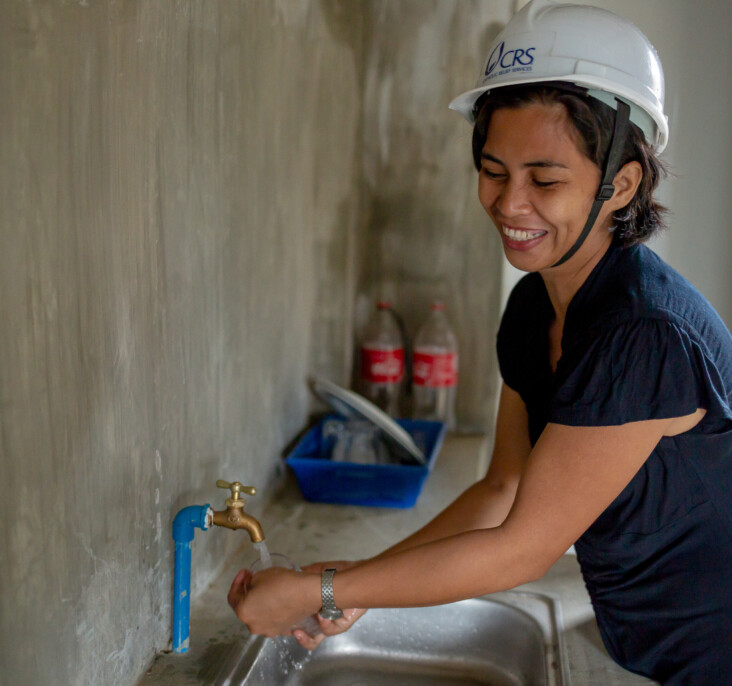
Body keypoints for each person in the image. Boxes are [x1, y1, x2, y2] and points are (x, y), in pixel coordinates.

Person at [227, 1, 732, 683]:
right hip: (641, 642)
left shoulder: (641, 333)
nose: (509, 203)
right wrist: (356, 584)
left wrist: (324, 590)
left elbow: (521, 550)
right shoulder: (535, 305)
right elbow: (503, 487)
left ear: (622, 184)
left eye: (545, 180)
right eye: (494, 171)